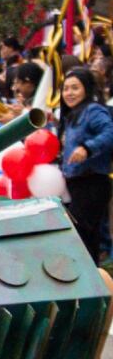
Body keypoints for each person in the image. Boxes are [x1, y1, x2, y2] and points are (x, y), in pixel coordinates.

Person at [59, 67, 113, 264]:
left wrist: (87, 148)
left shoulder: (93, 110)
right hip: (76, 184)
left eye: (75, 88)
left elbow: (109, 132)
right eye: (66, 89)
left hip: (92, 182)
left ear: (87, 89)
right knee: (86, 238)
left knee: (80, 234)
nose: (69, 93)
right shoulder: (72, 115)